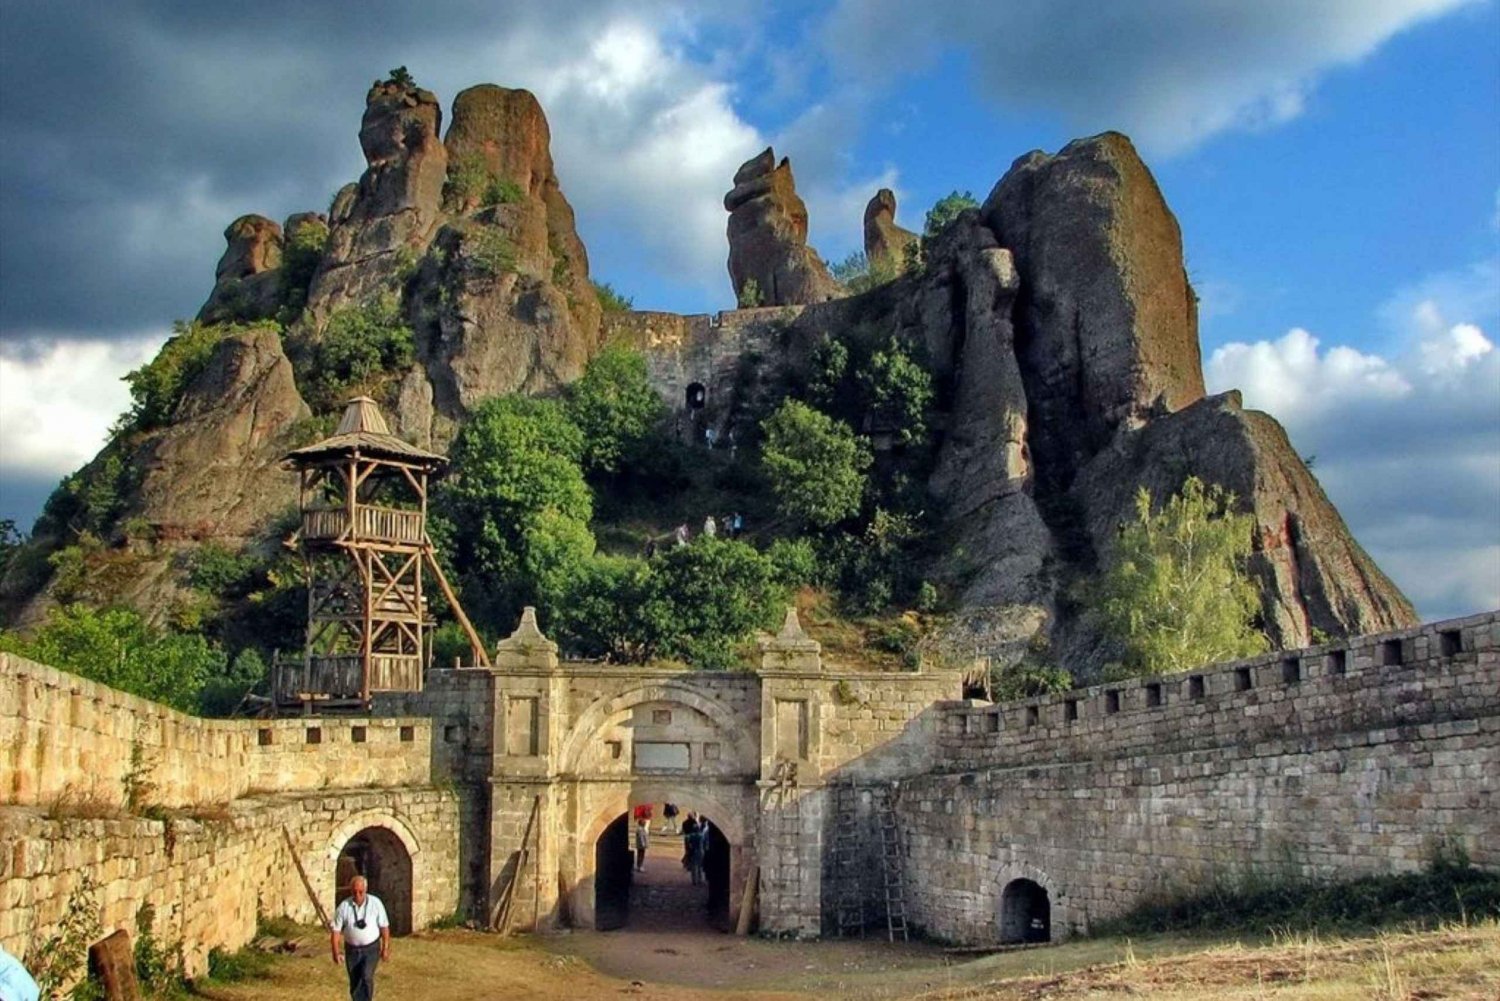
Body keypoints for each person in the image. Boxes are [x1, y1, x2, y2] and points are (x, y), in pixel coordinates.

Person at [330, 875, 390, 1001]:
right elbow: (335, 931)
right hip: (352, 950)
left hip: (371, 949)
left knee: (366, 976)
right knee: (355, 980)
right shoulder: (344, 907)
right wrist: (336, 952)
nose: (357, 895)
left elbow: (384, 927)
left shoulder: (376, 904)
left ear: (366, 890)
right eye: (354, 892)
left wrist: (385, 948)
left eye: (361, 892)